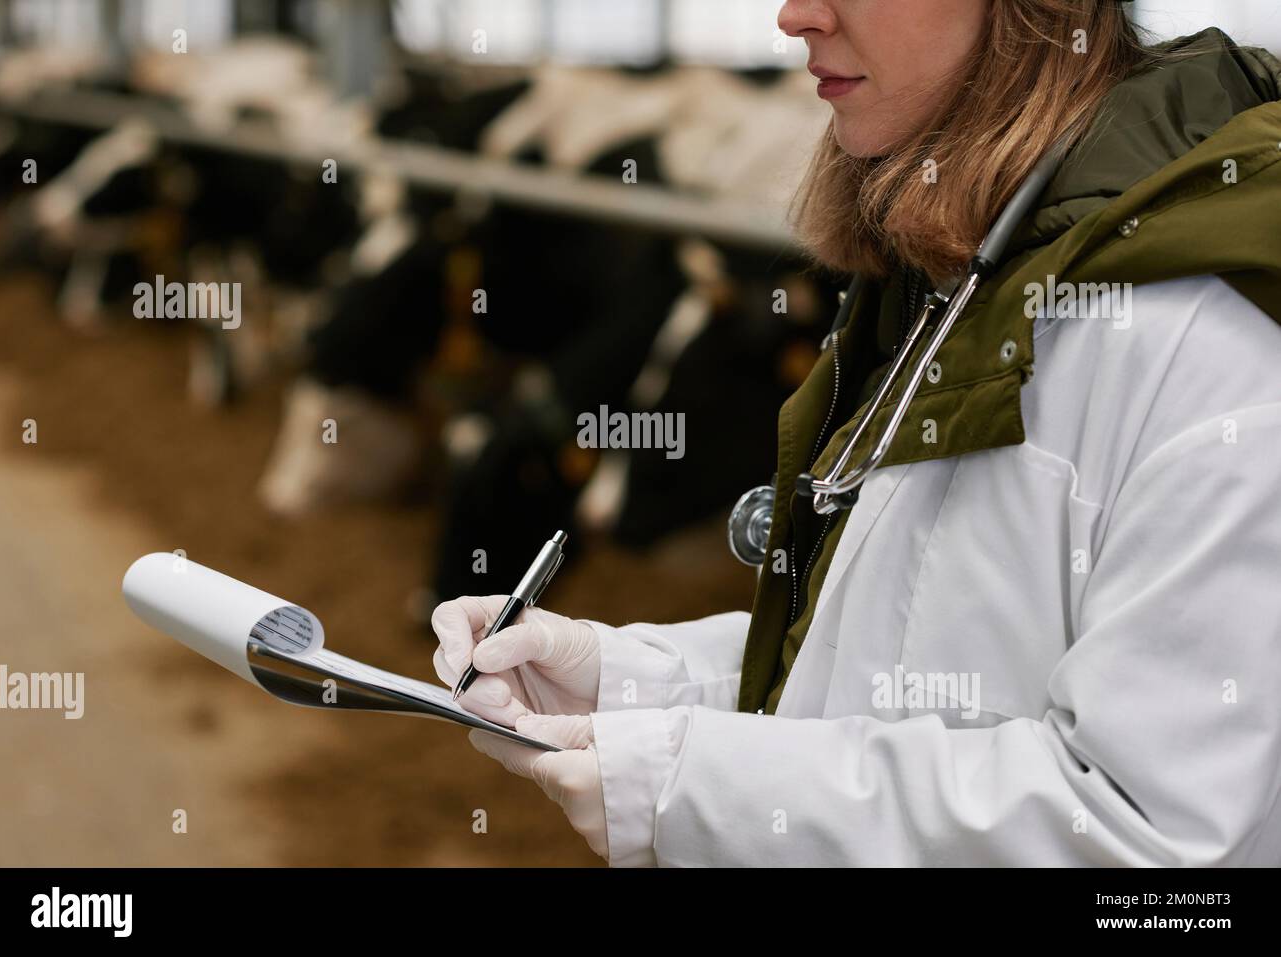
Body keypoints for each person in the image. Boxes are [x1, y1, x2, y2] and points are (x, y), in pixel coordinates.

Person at [430, 0, 1281, 866]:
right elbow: (909, 662)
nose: (793, 15)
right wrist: (628, 682)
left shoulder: (1203, 344)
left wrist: (690, 782)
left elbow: (1156, 843)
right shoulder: (967, 268)